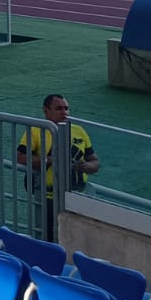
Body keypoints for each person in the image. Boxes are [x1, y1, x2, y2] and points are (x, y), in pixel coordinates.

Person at [16, 93, 100, 234]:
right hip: (47, 197)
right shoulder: (36, 131)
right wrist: (51, 160)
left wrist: (88, 166)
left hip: (76, 196)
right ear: (46, 110)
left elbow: (94, 162)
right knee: (49, 236)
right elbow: (21, 157)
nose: (64, 112)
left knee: (76, 236)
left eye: (66, 108)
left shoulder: (79, 131)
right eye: (59, 108)